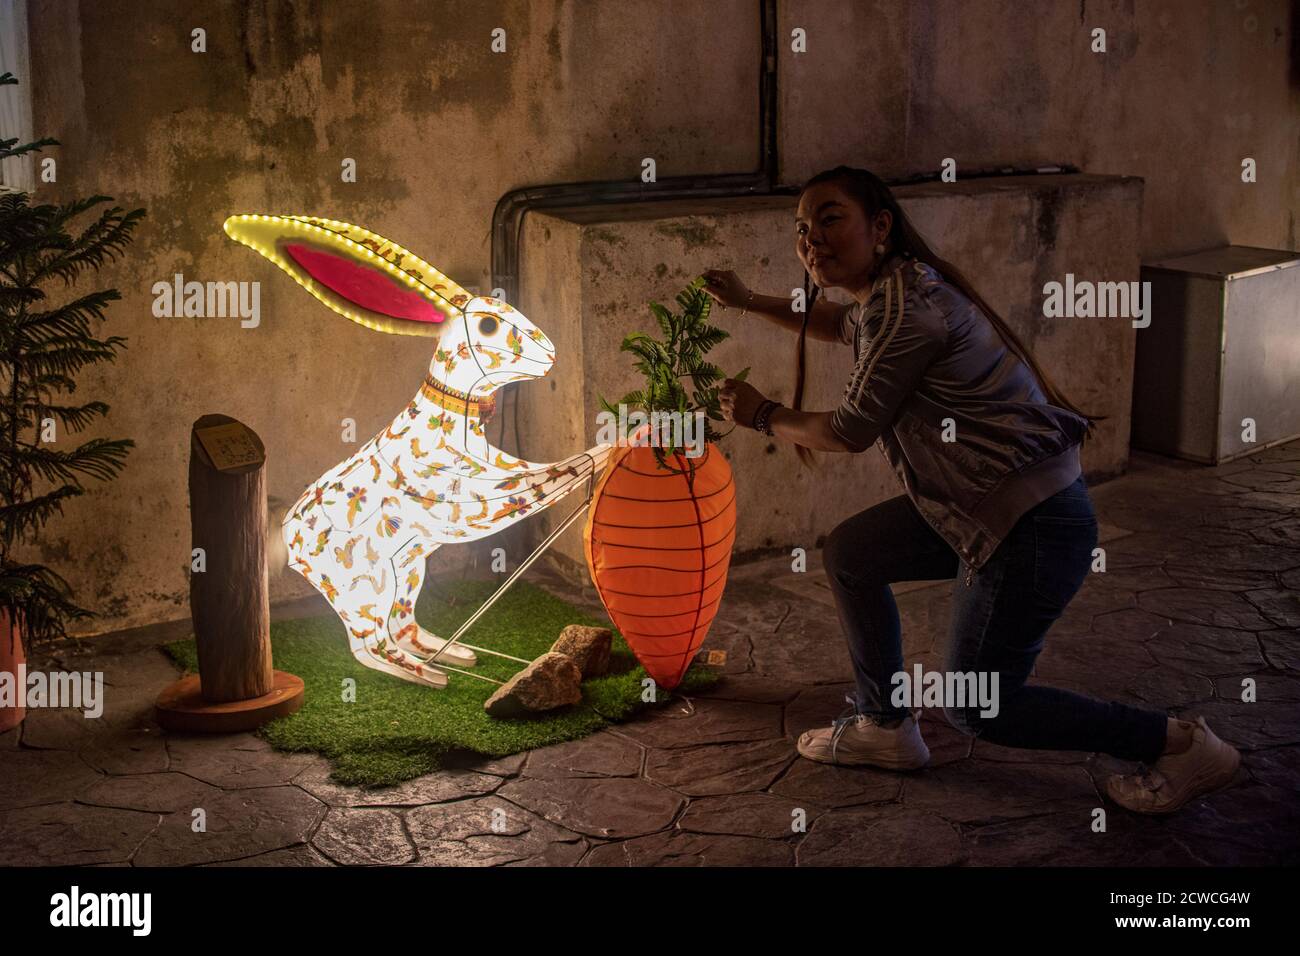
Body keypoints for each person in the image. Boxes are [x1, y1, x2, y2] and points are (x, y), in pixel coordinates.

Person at [704, 165, 1240, 815]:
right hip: (988, 505)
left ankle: (1179, 743)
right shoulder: (892, 294)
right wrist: (749, 300)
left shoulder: (906, 310)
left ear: (880, 227)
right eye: (800, 227)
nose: (810, 237)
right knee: (854, 552)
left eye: (829, 218)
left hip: (1030, 525)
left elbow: (850, 429)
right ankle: (885, 727)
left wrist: (762, 414)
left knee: (982, 706)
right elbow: (837, 325)